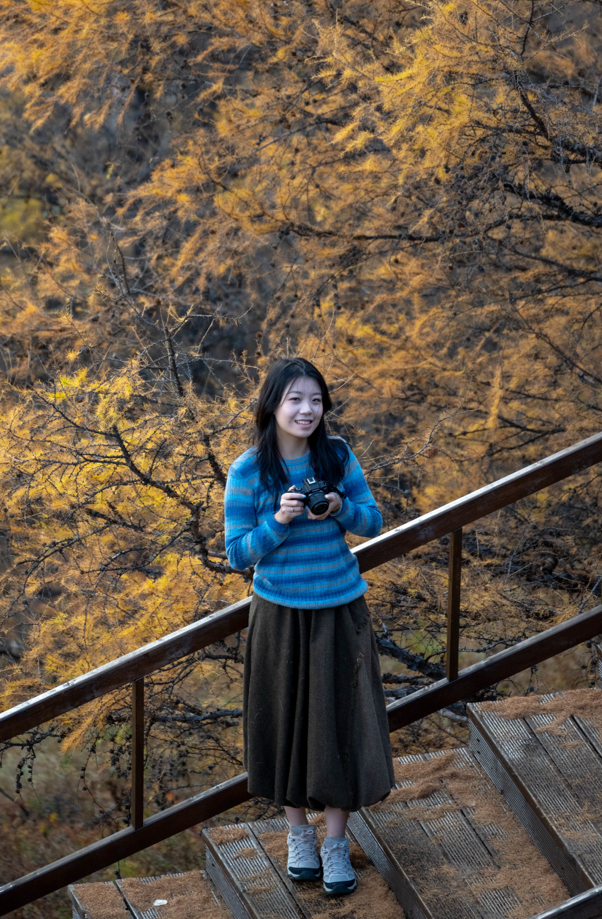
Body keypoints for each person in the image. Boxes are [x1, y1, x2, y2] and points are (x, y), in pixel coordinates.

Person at [224, 357, 394, 896]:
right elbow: (236, 553)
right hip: (279, 613)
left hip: (341, 608)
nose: (307, 410)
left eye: (316, 400)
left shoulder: (337, 455)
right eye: (295, 399)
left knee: (342, 722)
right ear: (272, 405)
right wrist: (278, 521)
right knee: (285, 722)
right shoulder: (247, 470)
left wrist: (341, 506)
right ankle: (299, 835)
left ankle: (336, 843)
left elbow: (374, 522)